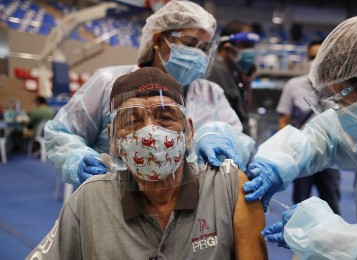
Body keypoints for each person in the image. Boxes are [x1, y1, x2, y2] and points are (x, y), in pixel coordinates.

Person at [27, 67, 267, 259]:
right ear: (113, 139)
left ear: (189, 131)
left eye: (165, 117)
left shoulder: (227, 187)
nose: (150, 132)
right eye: (132, 120)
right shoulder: (89, 200)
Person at [243, 16, 357, 258]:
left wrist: (327, 238)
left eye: (342, 102)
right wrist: (277, 162)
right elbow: (326, 134)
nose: (341, 113)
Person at [45, 1, 255, 185]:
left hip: (192, 213)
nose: (198, 54)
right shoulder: (108, 83)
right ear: (157, 41)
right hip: (114, 202)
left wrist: (218, 138)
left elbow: (241, 142)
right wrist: (79, 159)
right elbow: (62, 133)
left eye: (204, 48)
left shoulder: (211, 93)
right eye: (190, 44)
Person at [276, 40, 341, 214]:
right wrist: (286, 150)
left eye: (321, 56)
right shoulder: (293, 85)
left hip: (332, 154)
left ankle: (332, 239)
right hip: (302, 154)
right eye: (313, 57)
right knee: (300, 202)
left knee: (332, 201)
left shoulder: (340, 85)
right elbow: (284, 119)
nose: (316, 60)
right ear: (307, 58)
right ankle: (297, 237)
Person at [206, 20, 260, 136]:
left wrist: (247, 84)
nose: (250, 51)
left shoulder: (233, 71)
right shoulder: (216, 71)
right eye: (246, 46)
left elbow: (243, 109)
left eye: (252, 46)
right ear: (227, 47)